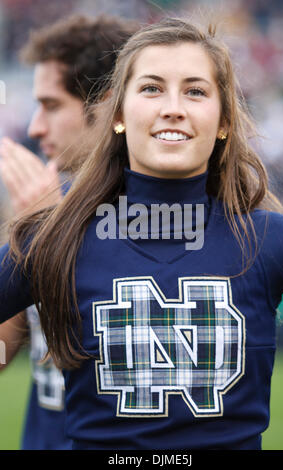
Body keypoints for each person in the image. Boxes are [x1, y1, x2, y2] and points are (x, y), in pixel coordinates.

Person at [0, 16, 283, 450]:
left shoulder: (271, 240)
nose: (173, 107)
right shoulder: (54, 238)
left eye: (195, 91)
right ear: (118, 114)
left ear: (224, 122)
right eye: (151, 88)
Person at [0, 14, 139, 450]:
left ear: (106, 106)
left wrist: (53, 233)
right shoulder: (41, 200)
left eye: (53, 105)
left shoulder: (169, 215)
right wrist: (24, 243)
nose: (35, 127)